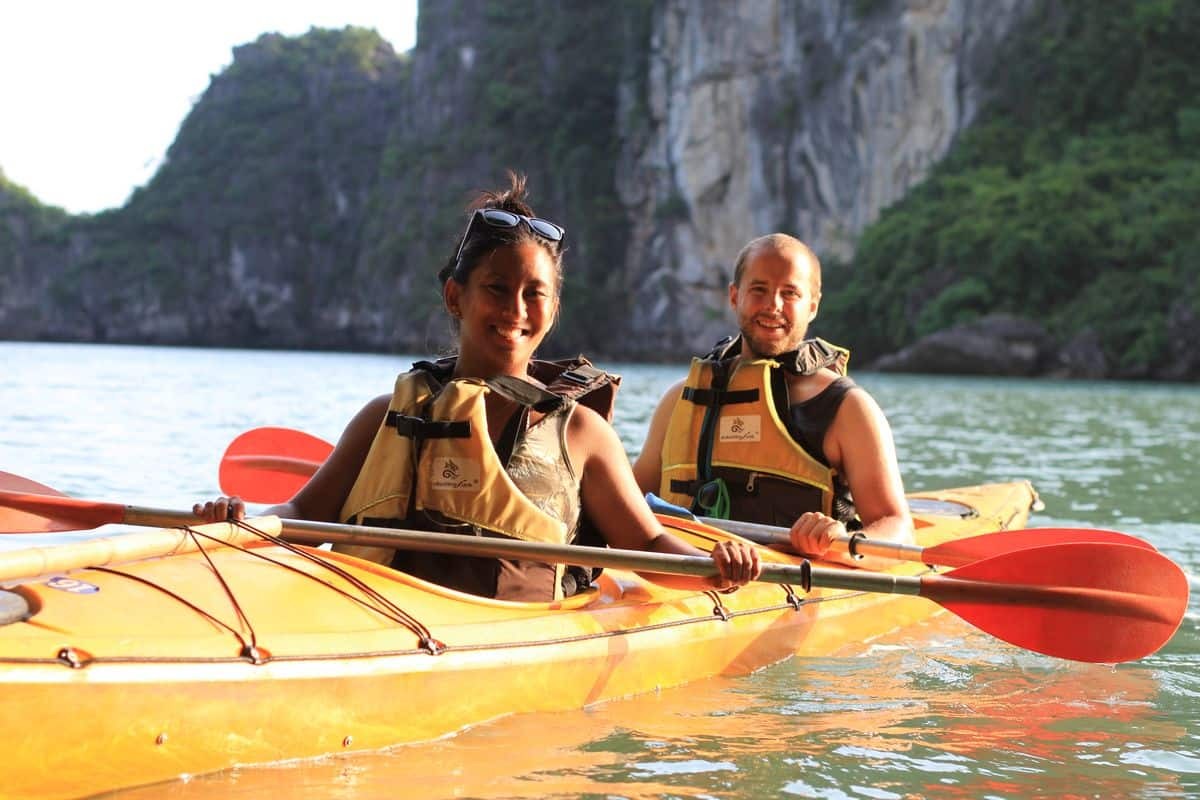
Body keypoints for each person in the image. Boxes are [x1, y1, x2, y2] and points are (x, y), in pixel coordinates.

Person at [196, 173, 760, 601]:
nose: (515, 309)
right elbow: (300, 515)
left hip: (513, 634)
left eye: (534, 293)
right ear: (455, 297)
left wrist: (718, 567)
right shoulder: (386, 415)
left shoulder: (581, 433)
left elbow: (646, 547)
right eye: (496, 287)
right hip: (387, 615)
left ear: (553, 309)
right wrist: (241, 517)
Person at [632, 233, 913, 567]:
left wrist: (838, 541)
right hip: (682, 575)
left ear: (813, 305)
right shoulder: (679, 400)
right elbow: (629, 505)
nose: (773, 305)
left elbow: (898, 529)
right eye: (759, 289)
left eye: (790, 292)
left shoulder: (845, 407)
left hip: (782, 585)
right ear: (734, 296)